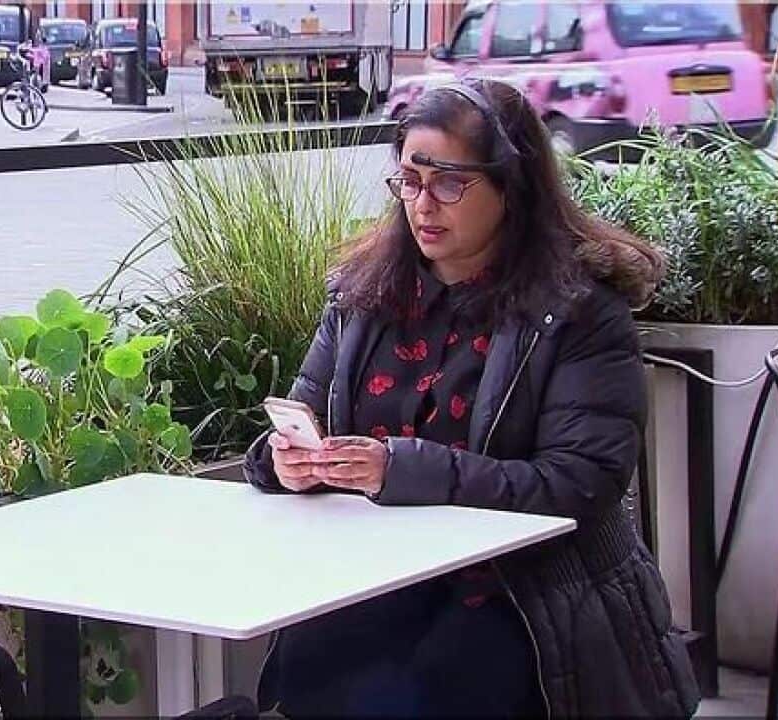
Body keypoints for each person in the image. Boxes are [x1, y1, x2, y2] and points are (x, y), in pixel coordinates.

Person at [243, 78, 700, 718]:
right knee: (310, 662)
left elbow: (577, 485)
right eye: (409, 180)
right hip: (373, 572)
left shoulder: (579, 313)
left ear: (510, 186)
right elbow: (303, 416)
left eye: (449, 183)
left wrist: (401, 469)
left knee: (443, 681)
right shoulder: (359, 297)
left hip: (525, 589)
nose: (423, 204)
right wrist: (285, 462)